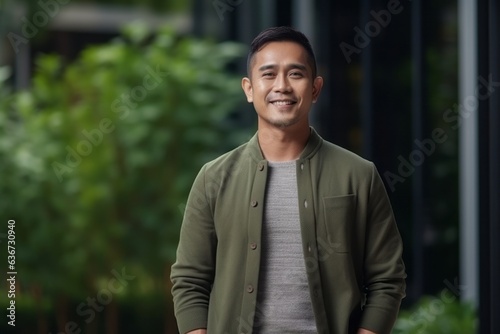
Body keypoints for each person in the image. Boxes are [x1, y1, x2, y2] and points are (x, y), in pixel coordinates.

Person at [170, 26, 406, 334]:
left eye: (296, 74)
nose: (282, 86)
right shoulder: (213, 178)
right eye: (268, 74)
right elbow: (189, 280)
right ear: (249, 88)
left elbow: (387, 279)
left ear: (315, 88)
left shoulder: (359, 175)